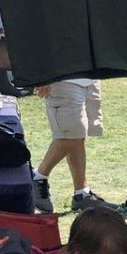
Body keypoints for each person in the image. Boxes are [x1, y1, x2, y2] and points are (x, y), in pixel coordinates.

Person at [33, 78, 112, 213]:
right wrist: (43, 75)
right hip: (62, 78)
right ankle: (37, 178)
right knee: (71, 134)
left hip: (89, 77)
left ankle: (81, 194)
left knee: (78, 135)